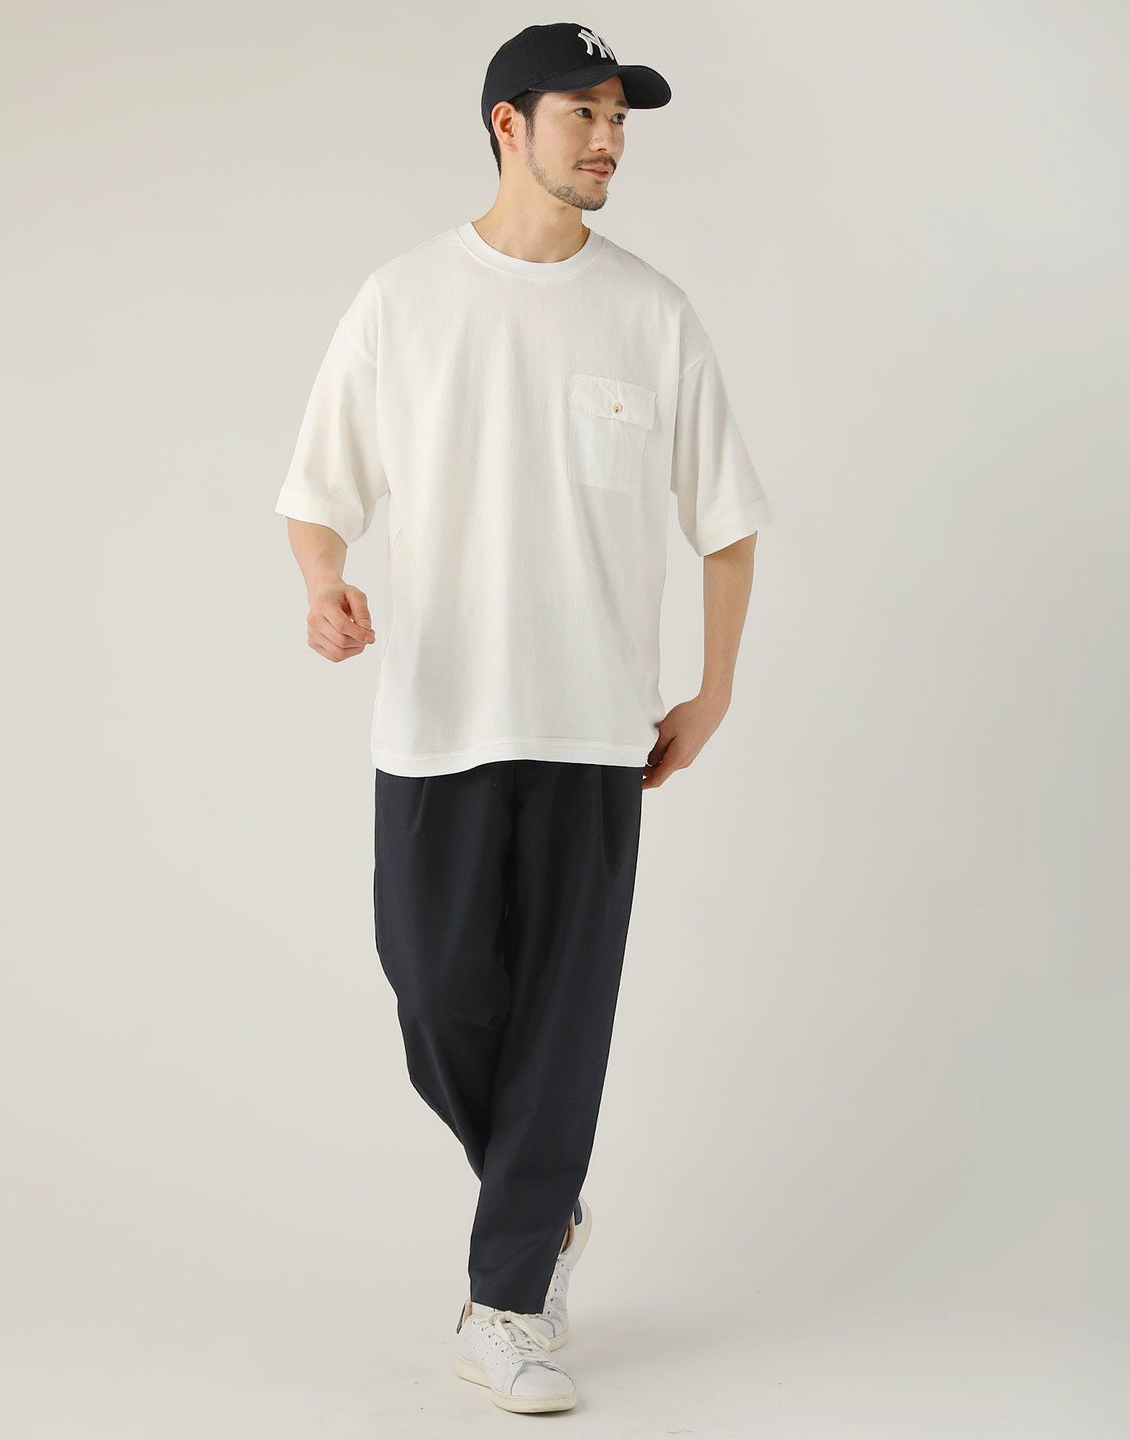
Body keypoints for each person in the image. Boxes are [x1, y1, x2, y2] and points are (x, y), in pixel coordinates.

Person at [274, 21, 775, 1416]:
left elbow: (728, 522)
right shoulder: (404, 301)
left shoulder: (651, 314)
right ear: (509, 122)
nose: (609, 140)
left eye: (620, 118)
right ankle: (542, 1199)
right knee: (434, 988)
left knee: (563, 1016)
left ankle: (506, 1308)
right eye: (583, 113)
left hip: (594, 729)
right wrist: (324, 586)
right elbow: (317, 492)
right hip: (438, 717)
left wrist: (713, 690)